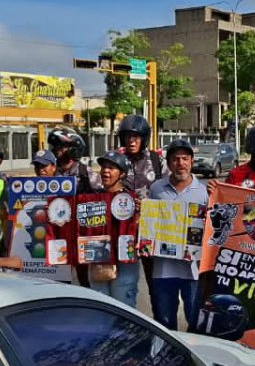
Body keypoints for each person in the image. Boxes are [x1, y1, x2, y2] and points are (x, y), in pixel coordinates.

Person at [148, 138, 209, 330]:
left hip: (193, 271)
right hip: (163, 270)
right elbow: (150, 224)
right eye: (175, 159)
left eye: (184, 158)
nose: (180, 163)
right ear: (168, 162)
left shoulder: (205, 191)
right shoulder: (157, 189)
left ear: (191, 161)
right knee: (165, 324)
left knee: (195, 321)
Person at [88, 151, 140, 307]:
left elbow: (143, 233)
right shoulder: (91, 199)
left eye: (111, 168)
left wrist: (139, 216)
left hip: (125, 264)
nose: (105, 171)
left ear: (122, 174)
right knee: (101, 310)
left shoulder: (133, 200)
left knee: (124, 310)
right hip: (98, 260)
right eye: (103, 167)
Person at [116, 114, 167, 195]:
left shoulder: (156, 160)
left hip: (152, 206)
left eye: (136, 136)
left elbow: (170, 187)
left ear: (143, 139)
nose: (131, 141)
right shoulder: (117, 161)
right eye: (128, 136)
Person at [49, 128, 96, 193]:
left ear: (73, 149)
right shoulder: (51, 171)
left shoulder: (85, 173)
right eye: (55, 146)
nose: (56, 149)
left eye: (61, 145)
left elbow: (102, 196)